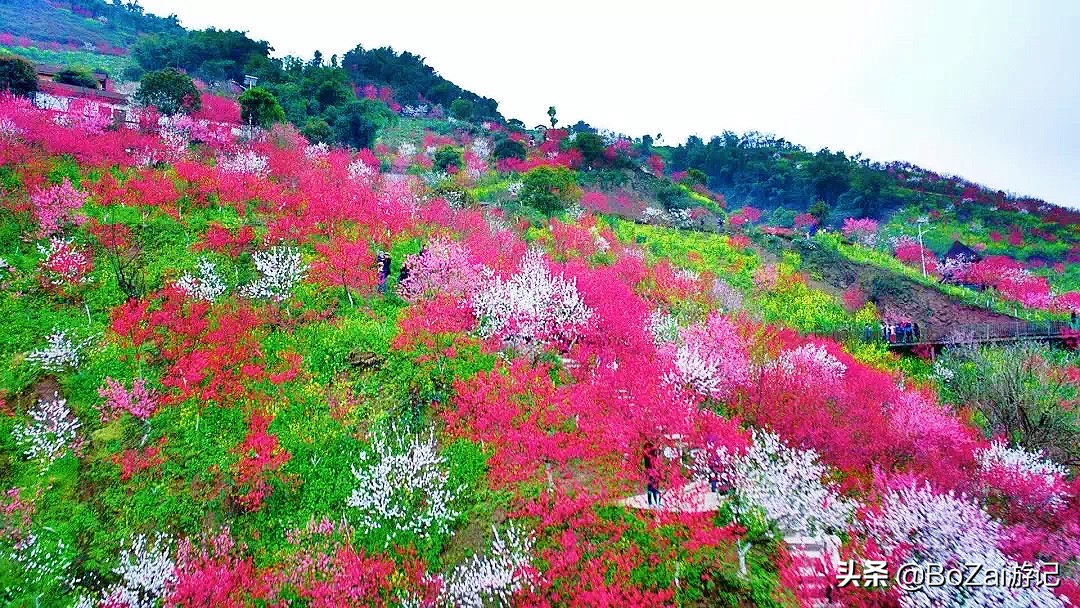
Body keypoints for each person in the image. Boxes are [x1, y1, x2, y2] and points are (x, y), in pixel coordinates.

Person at [643, 440, 661, 508]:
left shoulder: (654, 454)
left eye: (649, 447)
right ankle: (651, 503)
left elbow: (658, 451)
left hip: (655, 471)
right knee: (650, 488)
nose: (648, 449)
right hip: (649, 471)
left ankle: (656, 503)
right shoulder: (647, 454)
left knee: (654, 488)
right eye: (646, 447)